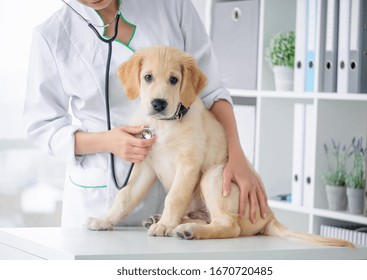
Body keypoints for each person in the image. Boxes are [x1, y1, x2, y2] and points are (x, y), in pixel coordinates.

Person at [23, 0, 268, 228]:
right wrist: (108, 141)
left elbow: (210, 91)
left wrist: (237, 157)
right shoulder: (52, 35)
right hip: (99, 195)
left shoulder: (172, 5)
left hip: (177, 196)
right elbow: (42, 125)